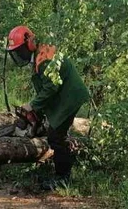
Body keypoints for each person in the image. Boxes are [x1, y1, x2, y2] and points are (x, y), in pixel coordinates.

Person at [5, 25, 89, 189]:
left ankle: (62, 179)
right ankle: (64, 171)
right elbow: (46, 87)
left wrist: (32, 105)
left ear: (29, 43)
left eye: (20, 50)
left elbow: (51, 88)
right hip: (66, 95)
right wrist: (36, 114)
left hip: (70, 96)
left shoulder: (43, 58)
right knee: (57, 134)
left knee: (56, 136)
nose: (20, 54)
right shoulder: (40, 54)